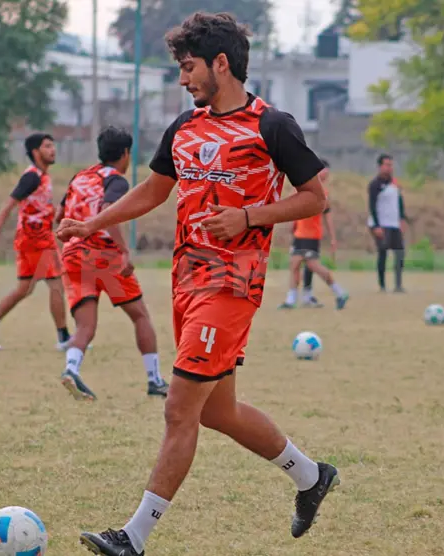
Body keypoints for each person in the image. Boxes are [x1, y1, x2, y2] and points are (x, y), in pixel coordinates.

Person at [57, 12, 340, 556]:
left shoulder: (272, 126)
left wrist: (249, 216)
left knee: (179, 408)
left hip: (232, 285)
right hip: (186, 283)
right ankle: (311, 477)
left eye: (189, 68)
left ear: (221, 63)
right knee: (217, 412)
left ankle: (132, 538)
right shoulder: (185, 127)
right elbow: (153, 190)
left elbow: (314, 198)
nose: (183, 79)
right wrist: (93, 223)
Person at [57, 127, 169, 400]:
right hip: (104, 256)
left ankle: (71, 369)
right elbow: (108, 213)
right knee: (139, 315)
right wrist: (124, 251)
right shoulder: (116, 180)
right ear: (126, 153)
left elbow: (61, 214)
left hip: (74, 254)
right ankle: (154, 380)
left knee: (85, 326)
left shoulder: (79, 177)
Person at [0, 133, 70, 351]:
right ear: (36, 152)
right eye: (47, 146)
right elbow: (9, 203)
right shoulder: (32, 177)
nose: (53, 150)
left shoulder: (43, 177)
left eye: (53, 146)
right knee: (56, 285)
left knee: (24, 289)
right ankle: (64, 338)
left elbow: (39, 207)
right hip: (36, 240)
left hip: (31, 239)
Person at [278, 160, 348, 310]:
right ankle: (293, 299)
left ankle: (339, 292)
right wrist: (293, 225)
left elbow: (327, 216)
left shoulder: (322, 193)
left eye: (326, 173)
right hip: (300, 234)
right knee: (295, 265)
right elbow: (294, 205)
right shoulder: (303, 187)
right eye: (323, 172)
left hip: (311, 235)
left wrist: (333, 238)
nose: (325, 175)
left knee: (311, 265)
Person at [367, 154, 408, 293]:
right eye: (387, 165)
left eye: (391, 165)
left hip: (394, 223)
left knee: (400, 253)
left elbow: (399, 201)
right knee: (383, 253)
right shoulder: (375, 185)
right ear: (380, 166)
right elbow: (372, 206)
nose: (390, 168)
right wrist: (376, 225)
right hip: (382, 224)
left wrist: (402, 219)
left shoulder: (394, 183)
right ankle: (382, 285)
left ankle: (398, 285)